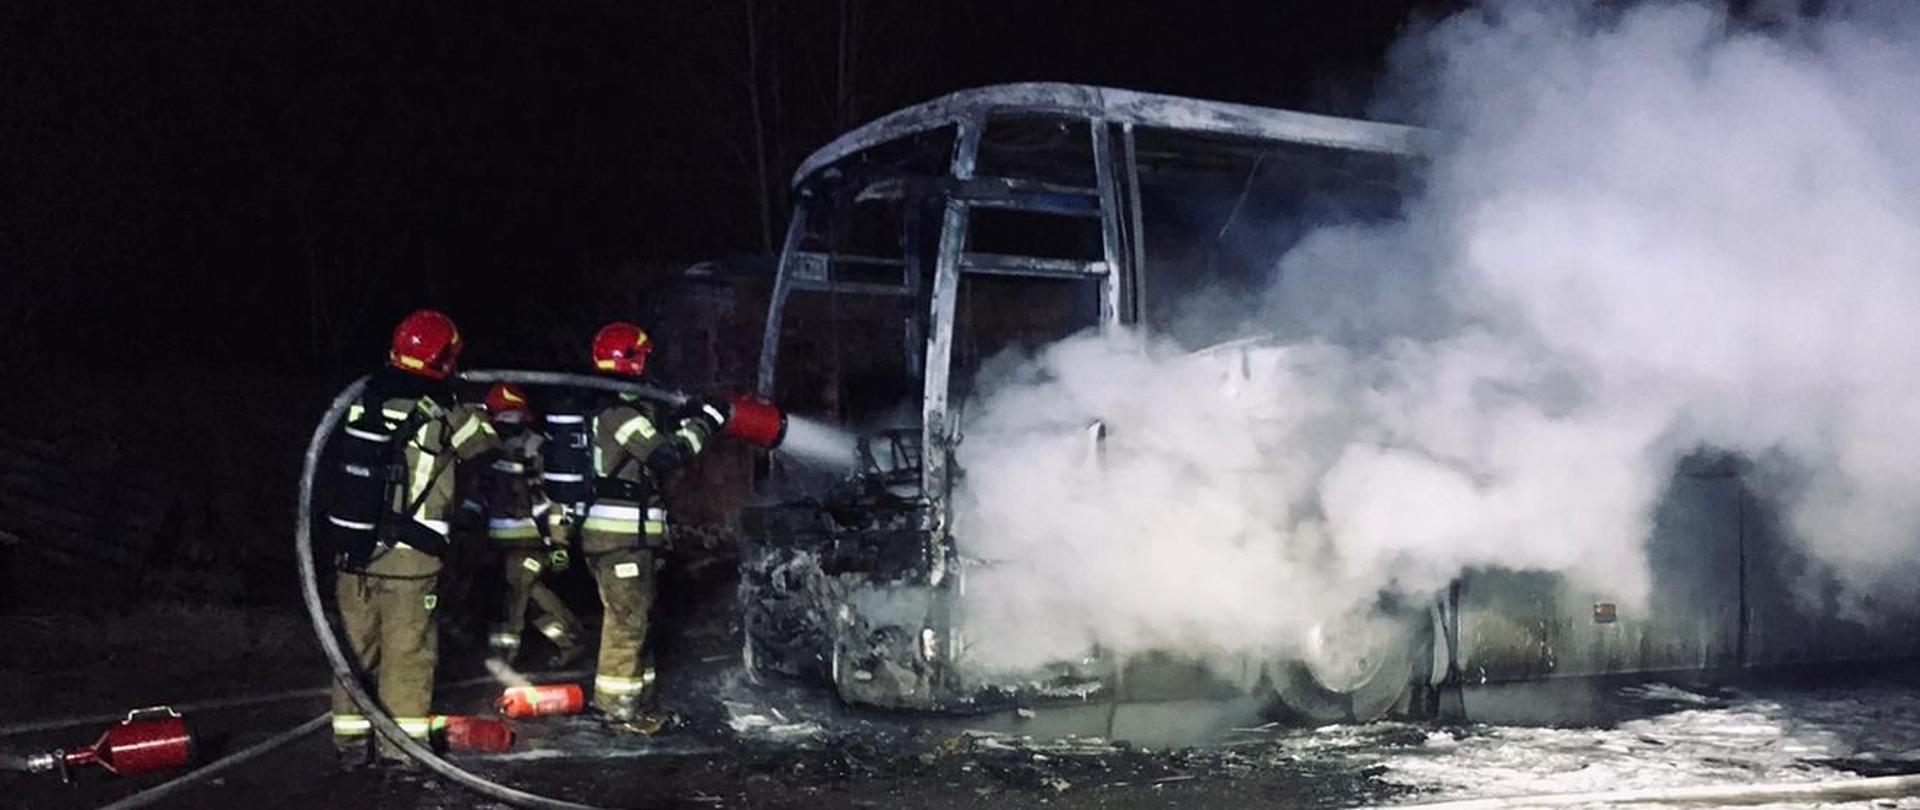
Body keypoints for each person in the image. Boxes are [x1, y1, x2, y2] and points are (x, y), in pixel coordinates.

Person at [325, 309, 500, 770]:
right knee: (409, 655)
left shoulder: (364, 400)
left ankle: (350, 746)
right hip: (410, 559)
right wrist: (461, 397)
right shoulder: (443, 412)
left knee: (354, 649)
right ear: (443, 361)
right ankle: (401, 750)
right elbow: (484, 447)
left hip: (354, 553)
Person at [573, 321, 726, 733]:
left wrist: (689, 415)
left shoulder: (623, 409)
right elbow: (667, 454)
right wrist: (706, 423)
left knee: (637, 619)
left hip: (628, 540)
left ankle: (636, 703)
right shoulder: (619, 413)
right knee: (626, 623)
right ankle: (617, 711)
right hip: (620, 540)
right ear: (633, 359)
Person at [478, 382, 585, 668]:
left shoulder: (537, 448)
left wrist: (559, 540)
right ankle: (569, 639)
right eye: (500, 418)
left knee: (515, 590)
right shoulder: (489, 447)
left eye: (507, 416)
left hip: (531, 538)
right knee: (528, 594)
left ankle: (504, 654)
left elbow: (554, 498)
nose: (503, 424)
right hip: (499, 539)